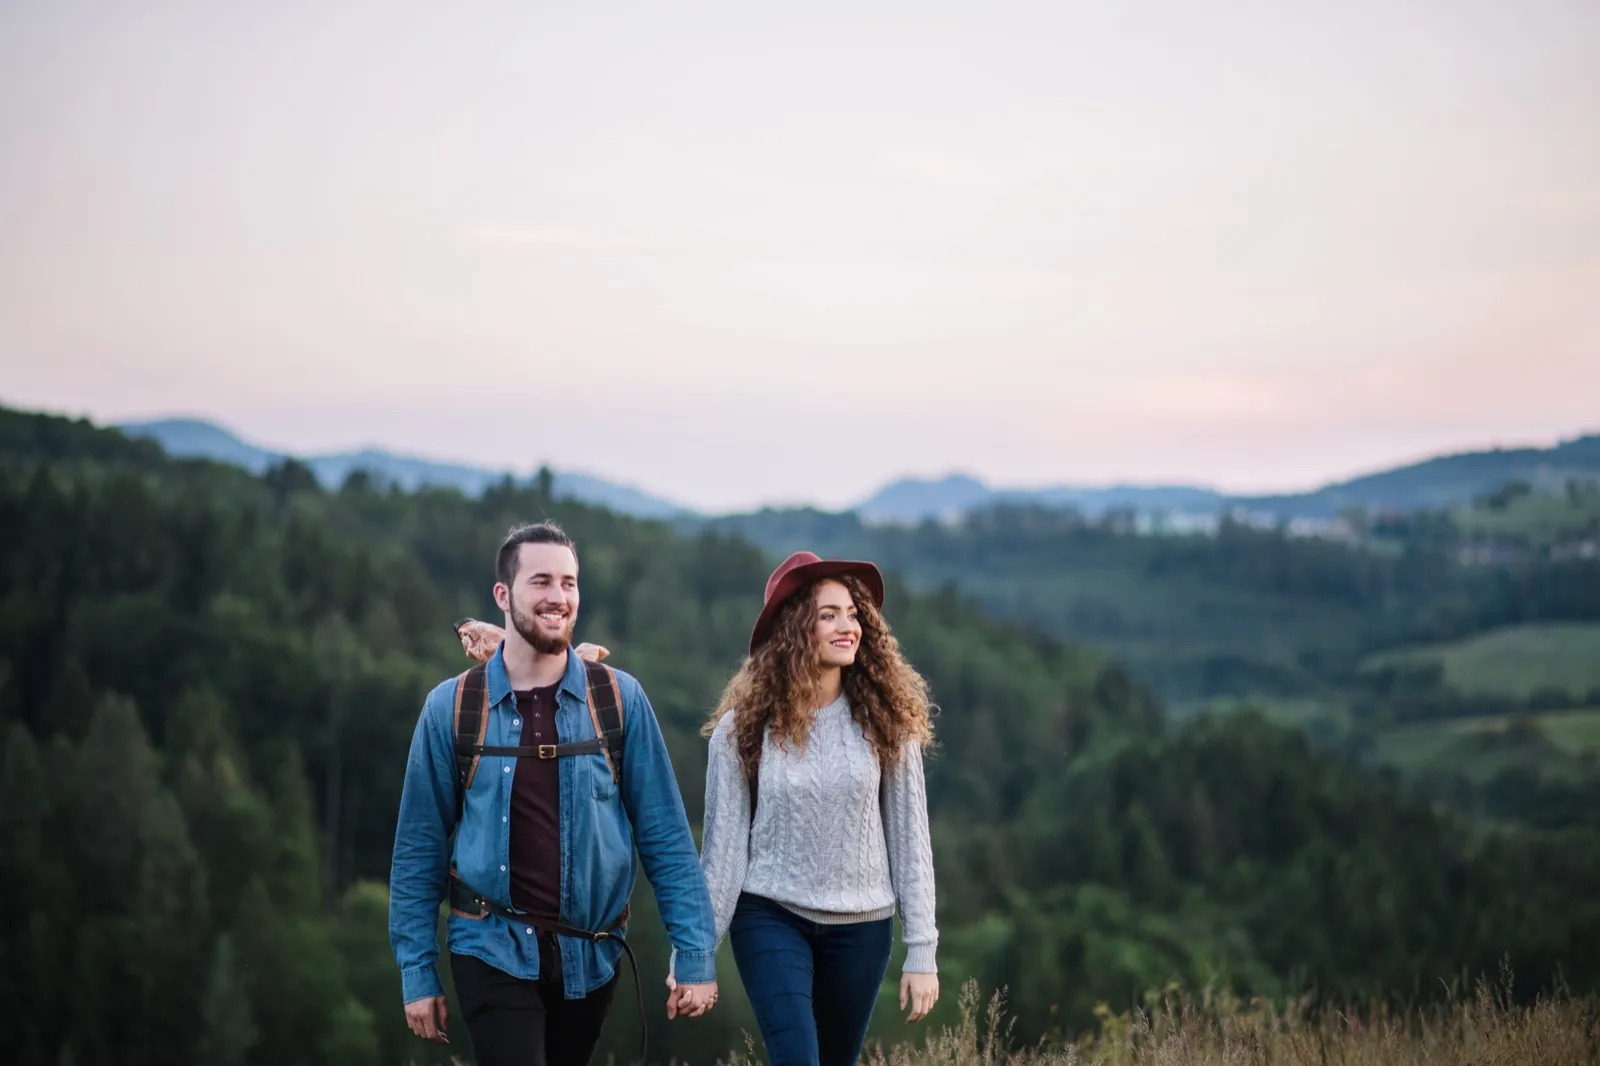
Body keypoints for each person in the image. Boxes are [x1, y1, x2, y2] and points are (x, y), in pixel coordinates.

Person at [388, 521, 719, 1066]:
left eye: (569, 583)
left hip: (591, 954)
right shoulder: (452, 709)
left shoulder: (618, 700)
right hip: (488, 944)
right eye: (541, 581)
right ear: (503, 594)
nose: (558, 597)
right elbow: (419, 848)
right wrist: (417, 968)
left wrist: (695, 951)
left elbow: (664, 834)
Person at [692, 550, 940, 1066]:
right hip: (769, 913)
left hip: (862, 925)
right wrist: (695, 953)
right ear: (795, 629)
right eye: (829, 615)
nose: (847, 626)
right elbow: (722, 854)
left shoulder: (888, 724)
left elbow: (910, 840)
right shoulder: (742, 730)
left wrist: (922, 949)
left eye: (852, 614)